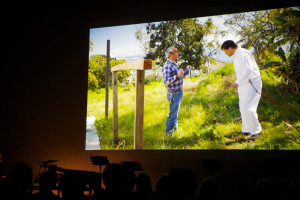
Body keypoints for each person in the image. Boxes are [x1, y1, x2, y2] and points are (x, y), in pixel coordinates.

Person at [221, 40, 262, 140]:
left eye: (225, 51)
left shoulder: (242, 53)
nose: (225, 53)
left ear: (230, 48)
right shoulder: (238, 54)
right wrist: (239, 82)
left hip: (252, 84)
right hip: (244, 85)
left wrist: (237, 82)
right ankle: (247, 129)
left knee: (248, 107)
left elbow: (248, 69)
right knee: (243, 107)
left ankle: (256, 131)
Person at [162, 46, 191, 136]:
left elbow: (180, 75)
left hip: (178, 92)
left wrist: (186, 70)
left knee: (175, 114)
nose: (177, 52)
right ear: (170, 54)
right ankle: (168, 135)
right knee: (173, 115)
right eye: (176, 51)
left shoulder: (174, 64)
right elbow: (167, 81)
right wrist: (177, 76)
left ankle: (174, 131)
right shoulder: (167, 65)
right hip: (174, 93)